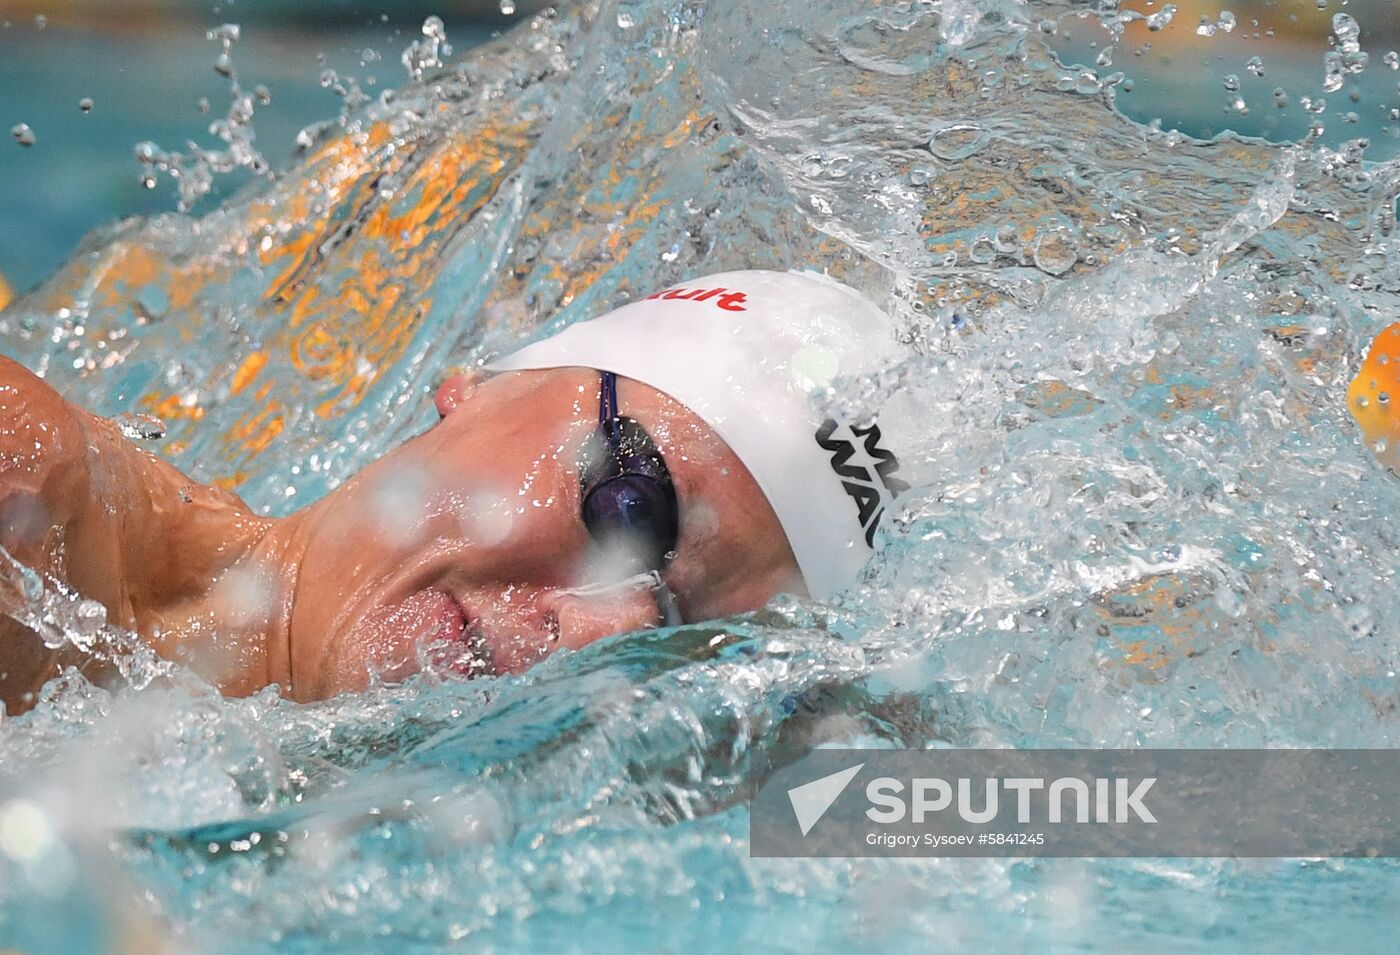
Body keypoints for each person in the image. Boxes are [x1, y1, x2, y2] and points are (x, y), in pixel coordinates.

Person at [0, 269, 913, 715]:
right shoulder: (32, 496)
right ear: (474, 389)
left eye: (679, 633)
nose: (596, 633)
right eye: (631, 508)